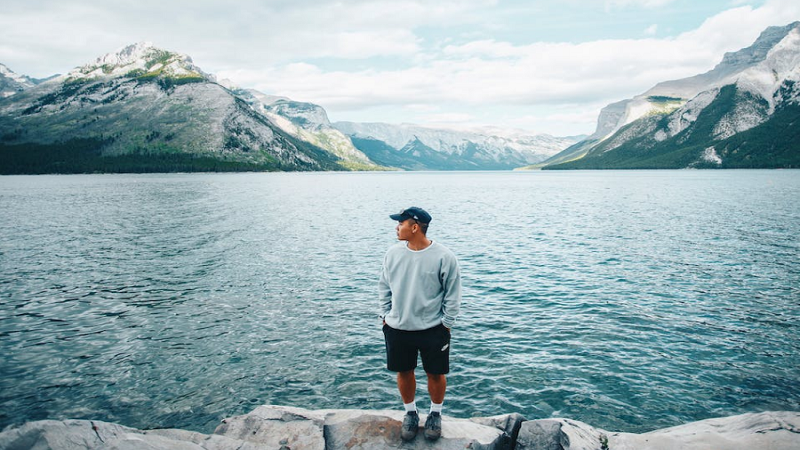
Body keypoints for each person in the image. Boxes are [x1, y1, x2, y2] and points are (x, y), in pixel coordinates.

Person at [378, 206, 462, 441]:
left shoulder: (445, 256)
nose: (397, 227)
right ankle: (411, 413)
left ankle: (435, 414)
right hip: (397, 327)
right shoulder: (392, 253)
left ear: (414, 227)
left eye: (401, 223)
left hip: (433, 329)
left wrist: (446, 323)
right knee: (404, 371)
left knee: (435, 373)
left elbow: (453, 294)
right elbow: (384, 286)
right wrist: (385, 316)